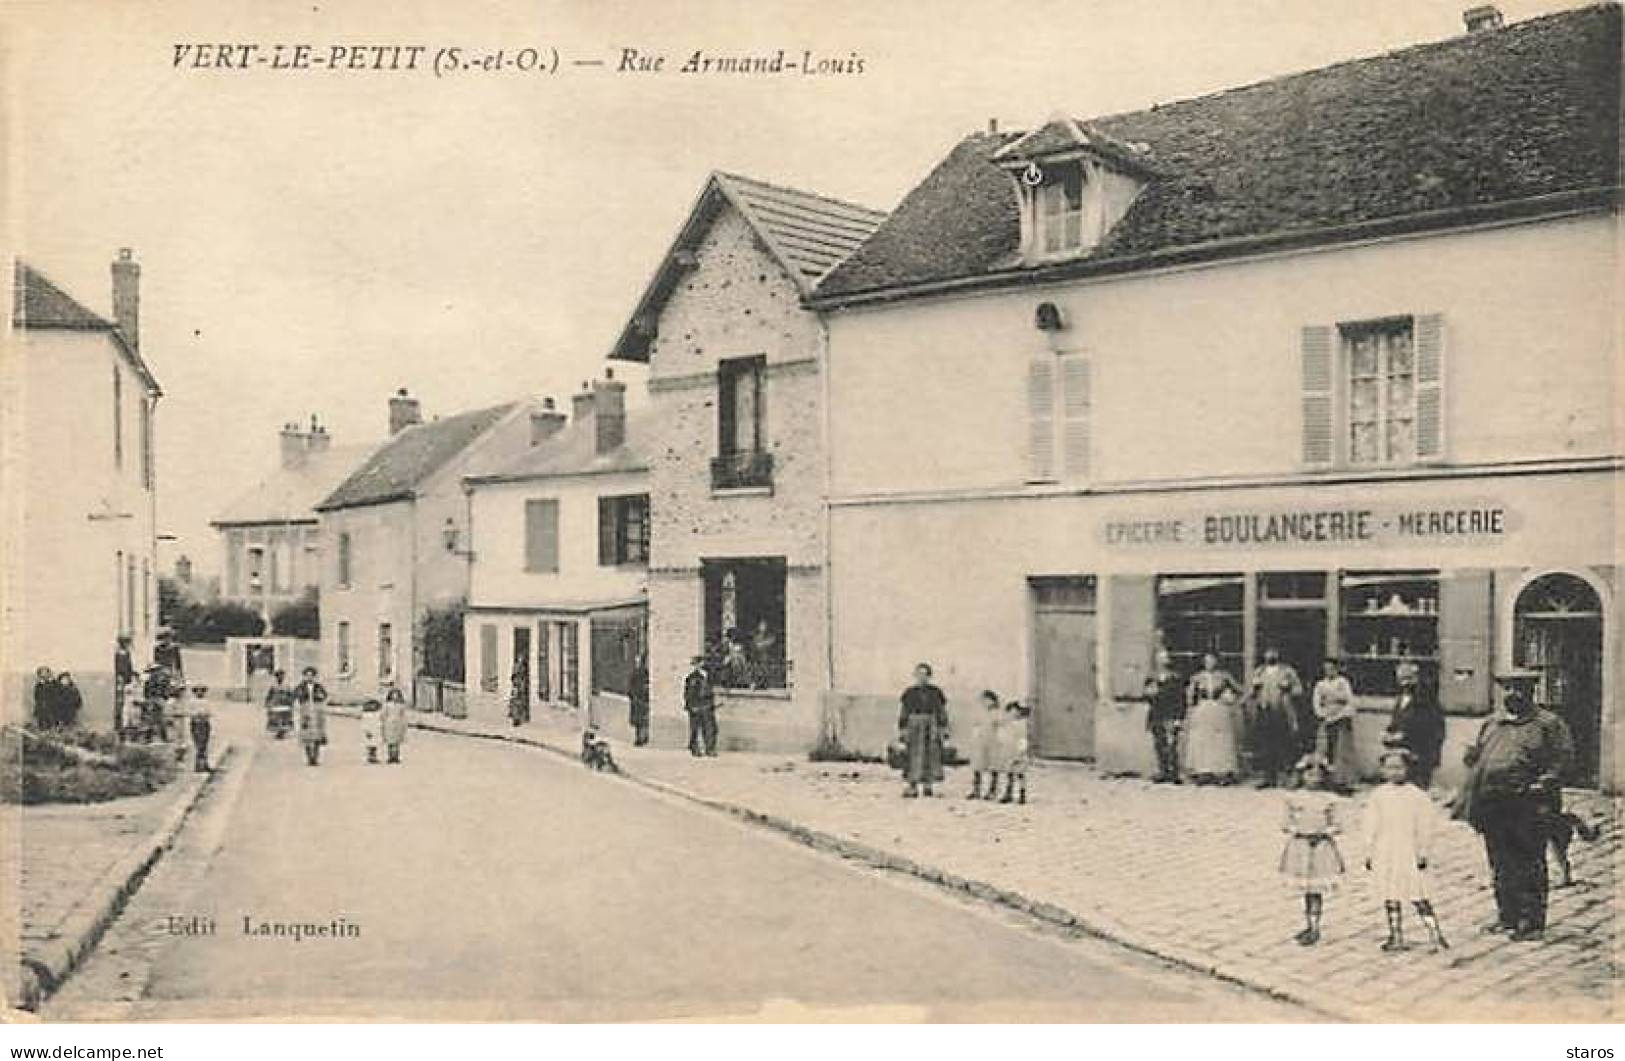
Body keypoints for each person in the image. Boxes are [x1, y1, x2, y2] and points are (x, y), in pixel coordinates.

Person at [1454, 669, 1573, 941]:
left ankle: (1530, 921)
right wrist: (1472, 758)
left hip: (1528, 805)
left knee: (1528, 861)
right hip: (1493, 804)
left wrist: (1544, 783)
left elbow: (1563, 761)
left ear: (1531, 691)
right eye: (1506, 688)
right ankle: (1507, 915)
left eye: (1517, 688)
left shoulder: (1548, 724)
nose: (1511, 694)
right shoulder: (1493, 723)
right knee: (1500, 862)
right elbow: (1477, 756)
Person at [1363, 747, 1448, 952]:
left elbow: (1426, 826)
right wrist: (1369, 851)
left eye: (1399, 767)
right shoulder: (1378, 796)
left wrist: (1423, 851)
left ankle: (1435, 934)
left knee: (1418, 893)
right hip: (1386, 850)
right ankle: (1396, 935)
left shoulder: (1417, 797)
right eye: (1389, 768)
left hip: (1408, 850)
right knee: (1390, 892)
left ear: (1408, 769)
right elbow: (1370, 824)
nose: (1394, 772)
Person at [1278, 753, 1346, 946]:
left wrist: (1323, 832)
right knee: (1306, 888)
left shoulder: (1329, 799)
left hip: (1321, 847)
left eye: (1318, 775)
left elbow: (1338, 824)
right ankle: (1309, 924)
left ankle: (1315, 926)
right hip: (1301, 847)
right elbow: (1285, 823)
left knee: (1316, 888)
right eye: (1309, 774)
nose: (1314, 779)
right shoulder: (1292, 798)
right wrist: (1300, 831)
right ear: (1301, 776)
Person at [1249, 647, 1304, 788]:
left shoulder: (1287, 671)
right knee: (1266, 745)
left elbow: (1299, 690)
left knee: (1284, 744)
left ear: (1278, 654)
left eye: (1273, 652)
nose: (1270, 655)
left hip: (1282, 711)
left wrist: (1287, 688)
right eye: (1268, 652)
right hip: (1264, 711)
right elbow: (1250, 691)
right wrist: (1255, 689)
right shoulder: (1259, 671)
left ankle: (1285, 777)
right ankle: (1268, 777)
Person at [1386, 661, 1445, 788]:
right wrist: (1389, 733)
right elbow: (1397, 720)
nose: (1404, 683)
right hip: (1403, 750)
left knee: (1417, 786)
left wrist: (1404, 734)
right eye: (1401, 679)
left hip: (1421, 750)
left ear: (1416, 678)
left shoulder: (1426, 698)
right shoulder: (1401, 697)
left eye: (1408, 678)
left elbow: (1429, 725)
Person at [1185, 653, 1241, 784]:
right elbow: (1189, 697)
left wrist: (1230, 700)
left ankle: (1222, 771)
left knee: (1220, 739)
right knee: (1203, 739)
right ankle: (1204, 771)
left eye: (1212, 660)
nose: (1210, 663)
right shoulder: (1197, 677)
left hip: (1219, 709)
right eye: (1207, 661)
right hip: (1203, 709)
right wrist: (1192, 701)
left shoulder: (1224, 676)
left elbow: (1239, 690)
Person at [897, 662, 949, 798]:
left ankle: (928, 785)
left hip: (931, 725)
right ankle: (912, 785)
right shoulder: (909, 692)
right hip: (914, 725)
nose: (922, 677)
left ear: (929, 676)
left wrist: (943, 727)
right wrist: (903, 729)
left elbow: (941, 711)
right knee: (913, 754)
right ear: (915, 676)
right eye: (919, 674)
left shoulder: (936, 692)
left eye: (925, 675)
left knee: (930, 754)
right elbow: (904, 712)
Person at [1312, 658, 1357, 792]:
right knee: (1325, 749)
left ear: (1337, 669)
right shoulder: (1320, 684)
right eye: (1326, 669)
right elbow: (1316, 701)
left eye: (1332, 668)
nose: (1329, 671)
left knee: (1341, 750)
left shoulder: (1343, 682)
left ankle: (1342, 781)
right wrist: (1322, 714)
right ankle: (1325, 779)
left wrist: (1340, 714)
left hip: (1341, 720)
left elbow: (1350, 701)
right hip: (1326, 719)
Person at [1143, 650, 1186, 783]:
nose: (1163, 661)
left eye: (1165, 658)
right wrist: (1150, 692)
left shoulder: (1175, 677)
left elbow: (1180, 699)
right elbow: (1146, 695)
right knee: (1159, 742)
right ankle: (1163, 771)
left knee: (1172, 744)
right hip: (1156, 713)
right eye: (1160, 658)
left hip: (1171, 713)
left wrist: (1179, 717)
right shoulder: (1152, 677)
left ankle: (1174, 772)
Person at [966, 689, 1004, 799]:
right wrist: (974, 738)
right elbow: (975, 726)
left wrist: (1000, 740)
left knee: (993, 766)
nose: (985, 702)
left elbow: (1000, 727)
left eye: (987, 700)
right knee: (978, 766)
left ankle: (992, 790)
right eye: (983, 700)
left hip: (993, 742)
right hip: (980, 742)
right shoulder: (980, 713)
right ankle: (976, 789)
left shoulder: (997, 713)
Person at [683, 654, 718, 757]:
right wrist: (690, 706)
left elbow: (710, 690)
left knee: (710, 728)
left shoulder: (709, 676)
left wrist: (712, 703)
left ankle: (710, 749)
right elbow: (688, 694)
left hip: (707, 705)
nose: (700, 665)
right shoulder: (692, 678)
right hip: (696, 705)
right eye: (697, 664)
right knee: (695, 728)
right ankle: (695, 748)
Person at [294, 665, 329, 767]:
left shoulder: (318, 687)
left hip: (317, 711)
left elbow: (325, 696)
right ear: (304, 676)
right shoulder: (300, 687)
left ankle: (315, 757)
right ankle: (309, 757)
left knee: (317, 735)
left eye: (311, 675)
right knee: (307, 735)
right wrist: (299, 705)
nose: (309, 677)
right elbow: (295, 696)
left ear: (314, 676)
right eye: (307, 675)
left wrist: (320, 701)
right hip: (305, 710)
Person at [998, 701, 1031, 804]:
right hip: (1009, 751)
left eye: (1014, 711)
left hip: (1018, 752)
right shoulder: (1007, 725)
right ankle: (1008, 793)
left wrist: (1020, 752)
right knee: (1009, 774)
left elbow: (1023, 739)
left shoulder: (1021, 724)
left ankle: (1022, 794)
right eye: (1010, 712)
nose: (1012, 714)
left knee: (1020, 774)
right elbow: (1003, 737)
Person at [380, 684, 408, 764]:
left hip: (398, 724)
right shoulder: (387, 705)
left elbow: (403, 715)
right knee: (390, 741)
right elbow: (383, 715)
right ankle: (390, 756)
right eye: (393, 696)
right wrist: (383, 722)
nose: (395, 698)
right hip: (389, 724)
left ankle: (396, 756)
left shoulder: (401, 706)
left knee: (396, 741)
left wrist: (404, 724)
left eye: (396, 696)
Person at [628, 650, 651, 746]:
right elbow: (631, 686)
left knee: (642, 720)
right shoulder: (637, 672)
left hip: (641, 699)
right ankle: (641, 737)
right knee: (640, 720)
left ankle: (642, 737)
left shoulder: (643, 673)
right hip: (638, 699)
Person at [114, 635, 136, 733]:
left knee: (127, 702)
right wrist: (121, 680)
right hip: (121, 681)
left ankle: (126, 723)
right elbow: (120, 670)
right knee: (120, 702)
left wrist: (133, 675)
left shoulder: (127, 654)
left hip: (127, 681)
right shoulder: (119, 654)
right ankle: (119, 724)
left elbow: (129, 667)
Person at [265, 669, 295, 737]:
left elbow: (291, 694)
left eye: (281, 676)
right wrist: (267, 703)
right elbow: (269, 695)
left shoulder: (287, 686)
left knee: (285, 718)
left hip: (285, 703)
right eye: (278, 676)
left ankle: (283, 731)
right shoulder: (273, 686)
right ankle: (278, 731)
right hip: (276, 703)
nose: (280, 677)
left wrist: (291, 702)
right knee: (276, 718)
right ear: (276, 677)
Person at [187, 695, 213, 773]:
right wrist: (197, 715)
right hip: (196, 724)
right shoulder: (192, 701)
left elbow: (208, 712)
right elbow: (190, 713)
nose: (200, 692)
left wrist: (204, 715)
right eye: (198, 690)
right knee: (199, 745)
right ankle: (198, 765)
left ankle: (205, 765)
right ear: (195, 692)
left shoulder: (206, 701)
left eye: (202, 690)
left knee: (204, 745)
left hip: (204, 723)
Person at [361, 698, 384, 763]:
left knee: (374, 745)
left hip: (375, 731)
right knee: (370, 745)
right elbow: (364, 724)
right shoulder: (366, 715)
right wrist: (366, 731)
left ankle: (373, 756)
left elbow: (380, 721)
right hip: (370, 731)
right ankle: (371, 757)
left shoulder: (377, 713)